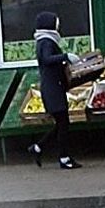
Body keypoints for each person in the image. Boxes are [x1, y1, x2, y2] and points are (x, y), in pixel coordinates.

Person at [29, 11, 82, 170]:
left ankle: (38, 148)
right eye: (56, 22)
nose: (58, 25)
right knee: (63, 123)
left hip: (54, 88)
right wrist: (65, 56)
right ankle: (64, 158)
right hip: (52, 89)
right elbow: (46, 59)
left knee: (61, 124)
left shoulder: (46, 40)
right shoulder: (46, 41)